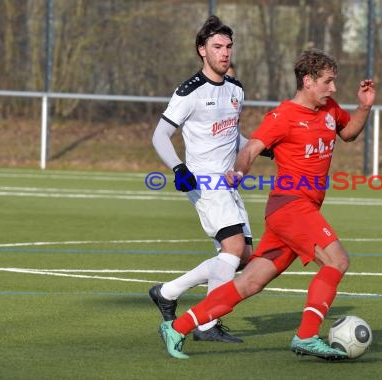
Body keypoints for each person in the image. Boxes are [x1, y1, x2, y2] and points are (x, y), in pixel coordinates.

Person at [156, 48, 376, 360]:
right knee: (337, 261)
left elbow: (349, 133)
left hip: (300, 212)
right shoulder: (282, 116)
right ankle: (307, 336)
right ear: (308, 81)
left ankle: (177, 327)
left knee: (249, 283)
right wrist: (238, 172)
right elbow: (251, 149)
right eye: (328, 82)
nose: (333, 88)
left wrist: (364, 108)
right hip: (290, 206)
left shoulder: (330, 109)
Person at [149, 15, 252, 343]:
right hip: (204, 183)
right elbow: (160, 135)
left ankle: (173, 297)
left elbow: (234, 138)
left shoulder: (236, 90)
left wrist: (266, 150)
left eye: (228, 47)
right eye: (217, 47)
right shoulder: (189, 91)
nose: (225, 53)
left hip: (229, 185)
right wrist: (179, 169)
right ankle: (197, 316)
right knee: (234, 248)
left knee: (243, 257)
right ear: (202, 51)